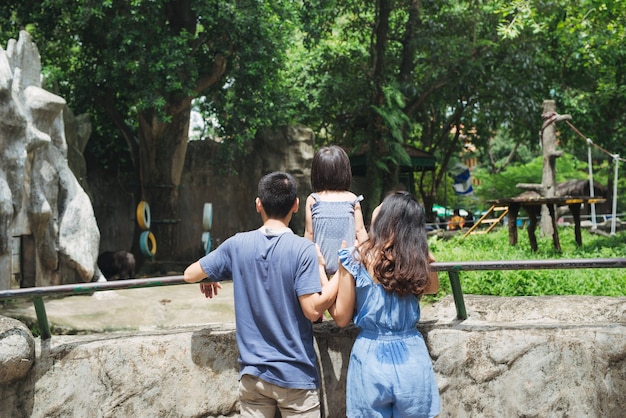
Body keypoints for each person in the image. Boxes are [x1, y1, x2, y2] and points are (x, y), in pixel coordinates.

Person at [184, 171, 339, 417]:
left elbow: (190, 274)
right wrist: (341, 273)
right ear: (296, 205)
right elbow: (312, 310)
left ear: (258, 204)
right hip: (295, 379)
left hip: (253, 377)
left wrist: (211, 274)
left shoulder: (237, 244)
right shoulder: (303, 250)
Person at [329, 191, 441, 418]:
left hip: (369, 358)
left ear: (386, 218)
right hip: (412, 356)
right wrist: (417, 248)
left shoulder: (356, 257)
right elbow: (433, 287)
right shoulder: (416, 262)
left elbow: (341, 318)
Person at [305, 145, 369, 276]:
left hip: (321, 267)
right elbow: (360, 231)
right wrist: (369, 256)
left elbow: (309, 234)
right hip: (349, 266)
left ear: (317, 173)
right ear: (345, 172)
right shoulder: (352, 199)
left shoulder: (313, 200)